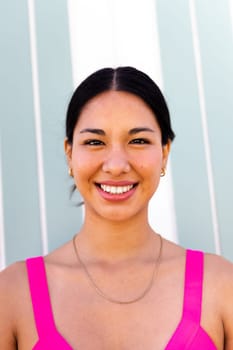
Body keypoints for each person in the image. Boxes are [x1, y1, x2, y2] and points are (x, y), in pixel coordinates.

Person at [0, 67, 233, 350]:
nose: (116, 165)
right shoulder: (12, 294)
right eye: (95, 142)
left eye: (138, 141)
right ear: (70, 154)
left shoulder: (221, 286)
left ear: (164, 153)